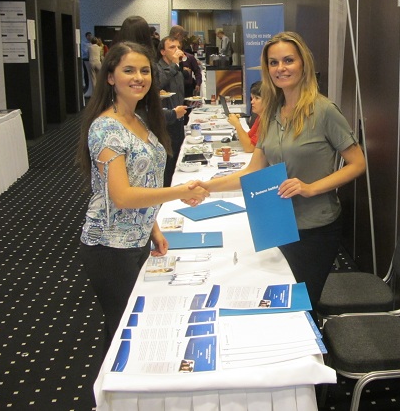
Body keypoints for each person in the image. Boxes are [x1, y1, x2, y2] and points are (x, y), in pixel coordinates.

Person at [185, 31, 366, 306]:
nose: (281, 68)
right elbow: (252, 171)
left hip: (314, 229)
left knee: (302, 305)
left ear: (303, 63)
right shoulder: (271, 112)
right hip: (278, 224)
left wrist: (310, 188)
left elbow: (358, 163)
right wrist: (207, 187)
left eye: (288, 60)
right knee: (279, 301)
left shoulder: (324, 110)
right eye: (273, 62)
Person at [75, 41, 208, 353]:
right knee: (125, 328)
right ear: (110, 77)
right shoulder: (106, 128)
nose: (138, 77)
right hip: (109, 246)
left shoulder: (138, 119)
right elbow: (122, 196)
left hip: (136, 240)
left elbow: (142, 180)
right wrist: (180, 192)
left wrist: (153, 228)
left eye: (144, 71)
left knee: (128, 324)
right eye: (129, 70)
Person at [156, 35, 188, 186]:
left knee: (177, 157)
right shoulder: (157, 68)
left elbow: (179, 93)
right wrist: (175, 65)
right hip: (165, 121)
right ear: (163, 51)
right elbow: (159, 84)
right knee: (168, 162)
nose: (177, 50)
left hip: (178, 119)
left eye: (178, 47)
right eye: (172, 47)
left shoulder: (177, 69)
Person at [228, 80, 262, 152]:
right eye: (252, 98)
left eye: (257, 98)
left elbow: (249, 148)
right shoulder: (260, 117)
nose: (252, 102)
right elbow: (248, 136)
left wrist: (237, 125)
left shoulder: (269, 120)